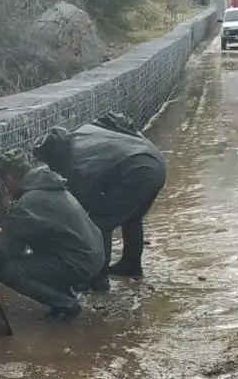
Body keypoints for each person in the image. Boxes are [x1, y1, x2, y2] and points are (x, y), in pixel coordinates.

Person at [32, 111, 166, 289]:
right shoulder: (83, 132)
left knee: (100, 222)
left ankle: (98, 277)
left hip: (139, 171)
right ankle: (131, 264)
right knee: (132, 218)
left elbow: (83, 203)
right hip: (155, 162)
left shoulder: (75, 163)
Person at [0, 149, 104, 323]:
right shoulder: (49, 185)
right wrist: (8, 230)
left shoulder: (27, 203)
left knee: (7, 270)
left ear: (10, 179)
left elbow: (7, 250)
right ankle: (66, 294)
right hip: (94, 254)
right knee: (40, 252)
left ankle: (65, 304)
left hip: (80, 262)